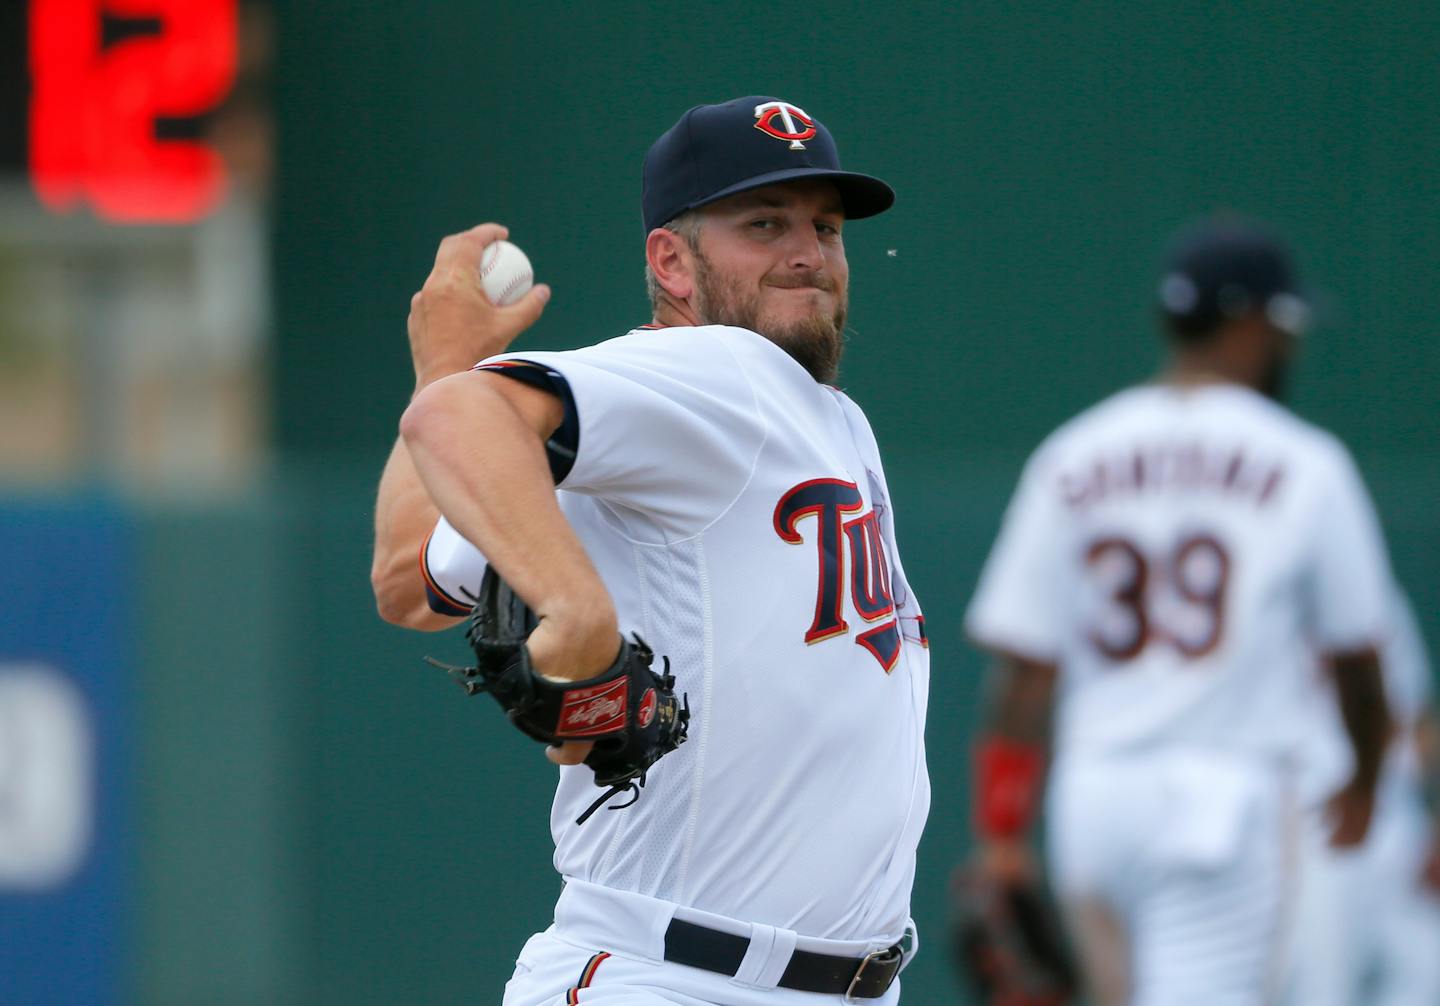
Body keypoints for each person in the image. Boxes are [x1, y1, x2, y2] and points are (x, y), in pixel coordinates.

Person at [370, 96, 931, 1005]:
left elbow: (405, 578)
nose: (808, 253)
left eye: (825, 227)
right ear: (671, 260)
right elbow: (454, 420)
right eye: (764, 223)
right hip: (675, 979)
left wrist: (444, 363)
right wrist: (572, 604)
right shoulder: (721, 372)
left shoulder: (813, 417)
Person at [961, 215, 1394, 1006]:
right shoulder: (1305, 461)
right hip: (1223, 806)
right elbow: (1360, 660)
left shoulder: (1073, 452)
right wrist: (1365, 782)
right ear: (1259, 324)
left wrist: (1001, 836)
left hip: (1093, 802)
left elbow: (1025, 672)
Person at [1285, 585, 1440, 1006]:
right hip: (1318, 829)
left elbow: (1419, 720)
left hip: (1396, 825)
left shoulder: (1379, 597)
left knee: (1425, 969)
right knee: (1324, 989)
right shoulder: (1270, 599)